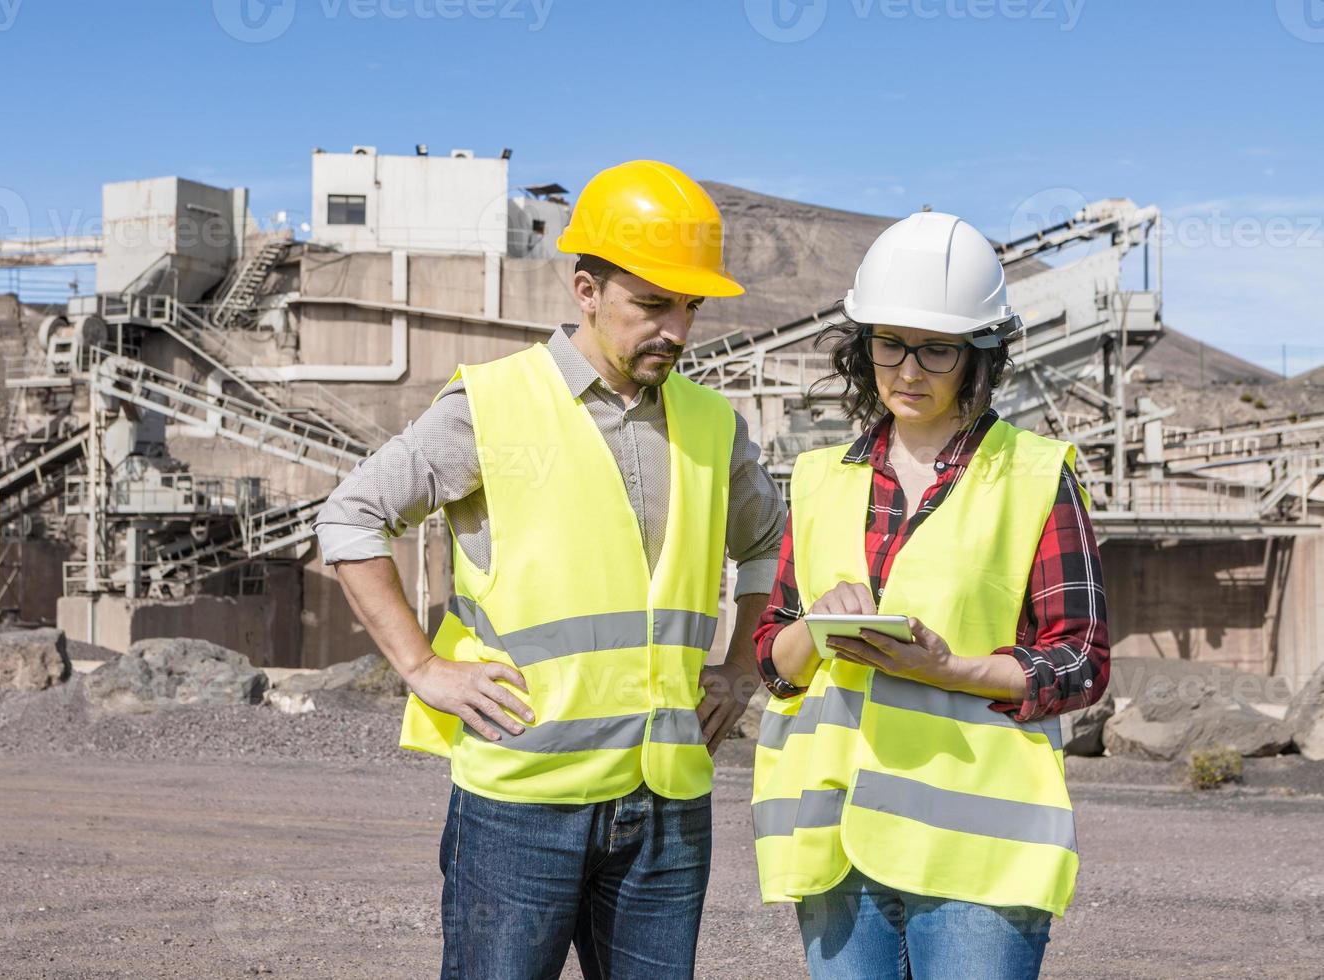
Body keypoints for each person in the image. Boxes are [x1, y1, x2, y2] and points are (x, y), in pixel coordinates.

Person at [313, 159, 787, 979]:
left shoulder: (713, 423)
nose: (675, 329)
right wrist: (422, 668)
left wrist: (743, 665)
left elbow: (772, 546)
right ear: (586, 290)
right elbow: (350, 518)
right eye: (651, 304)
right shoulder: (492, 405)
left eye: (689, 307)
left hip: (667, 804)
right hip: (520, 806)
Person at [750, 211, 1110, 979]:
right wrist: (814, 628)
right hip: (837, 838)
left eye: (937, 349)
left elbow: (1080, 659)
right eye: (890, 343)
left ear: (980, 354)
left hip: (978, 852)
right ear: (863, 343)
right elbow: (773, 662)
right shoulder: (818, 479)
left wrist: (950, 670)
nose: (907, 370)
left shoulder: (1036, 475)